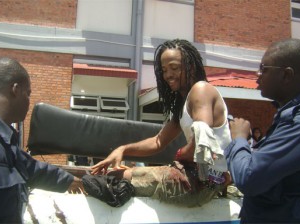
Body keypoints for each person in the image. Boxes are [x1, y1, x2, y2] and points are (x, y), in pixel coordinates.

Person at [91, 39, 232, 207]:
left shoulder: (201, 90)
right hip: (198, 178)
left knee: (112, 178)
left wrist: (181, 154)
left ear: (191, 66)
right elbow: (158, 141)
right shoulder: (184, 103)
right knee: (118, 175)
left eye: (174, 68)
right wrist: (123, 149)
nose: (168, 75)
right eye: (164, 70)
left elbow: (202, 137)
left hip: (202, 184)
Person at [225, 38, 300, 223]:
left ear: (287, 75)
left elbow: (250, 178)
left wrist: (239, 138)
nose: (257, 75)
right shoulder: (294, 111)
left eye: (264, 69)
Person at [0, 57, 85, 223]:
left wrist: (75, 182)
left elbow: (33, 170)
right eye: (28, 94)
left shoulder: (6, 143)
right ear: (15, 89)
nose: (29, 102)